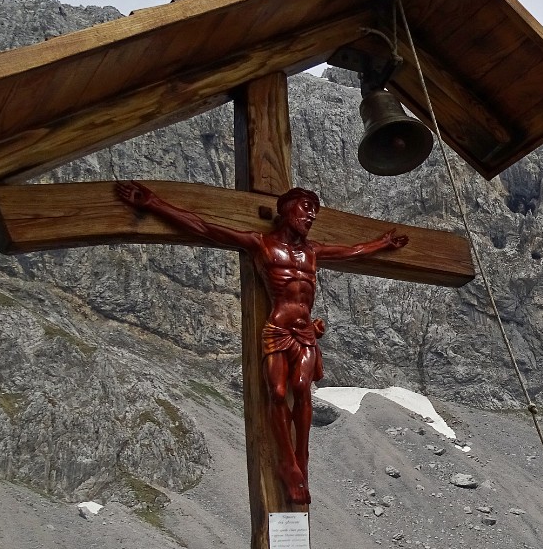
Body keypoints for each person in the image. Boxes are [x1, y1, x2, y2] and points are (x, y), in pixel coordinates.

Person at [115, 180, 407, 504]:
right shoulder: (262, 244)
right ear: (286, 210)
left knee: (301, 388)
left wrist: (383, 242)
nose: (311, 216)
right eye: (305, 208)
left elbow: (353, 251)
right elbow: (204, 226)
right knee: (278, 392)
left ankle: (301, 460)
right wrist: (154, 203)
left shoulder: (313, 252)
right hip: (278, 329)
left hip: (306, 332)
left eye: (315, 211)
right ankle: (286, 461)